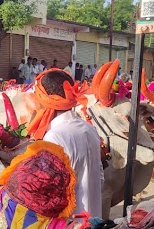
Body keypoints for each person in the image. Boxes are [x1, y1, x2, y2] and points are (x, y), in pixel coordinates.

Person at [27, 69, 103, 217]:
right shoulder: (89, 128)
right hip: (93, 219)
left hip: (70, 228)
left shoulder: (55, 136)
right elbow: (100, 176)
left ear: (45, 100)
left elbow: (50, 192)